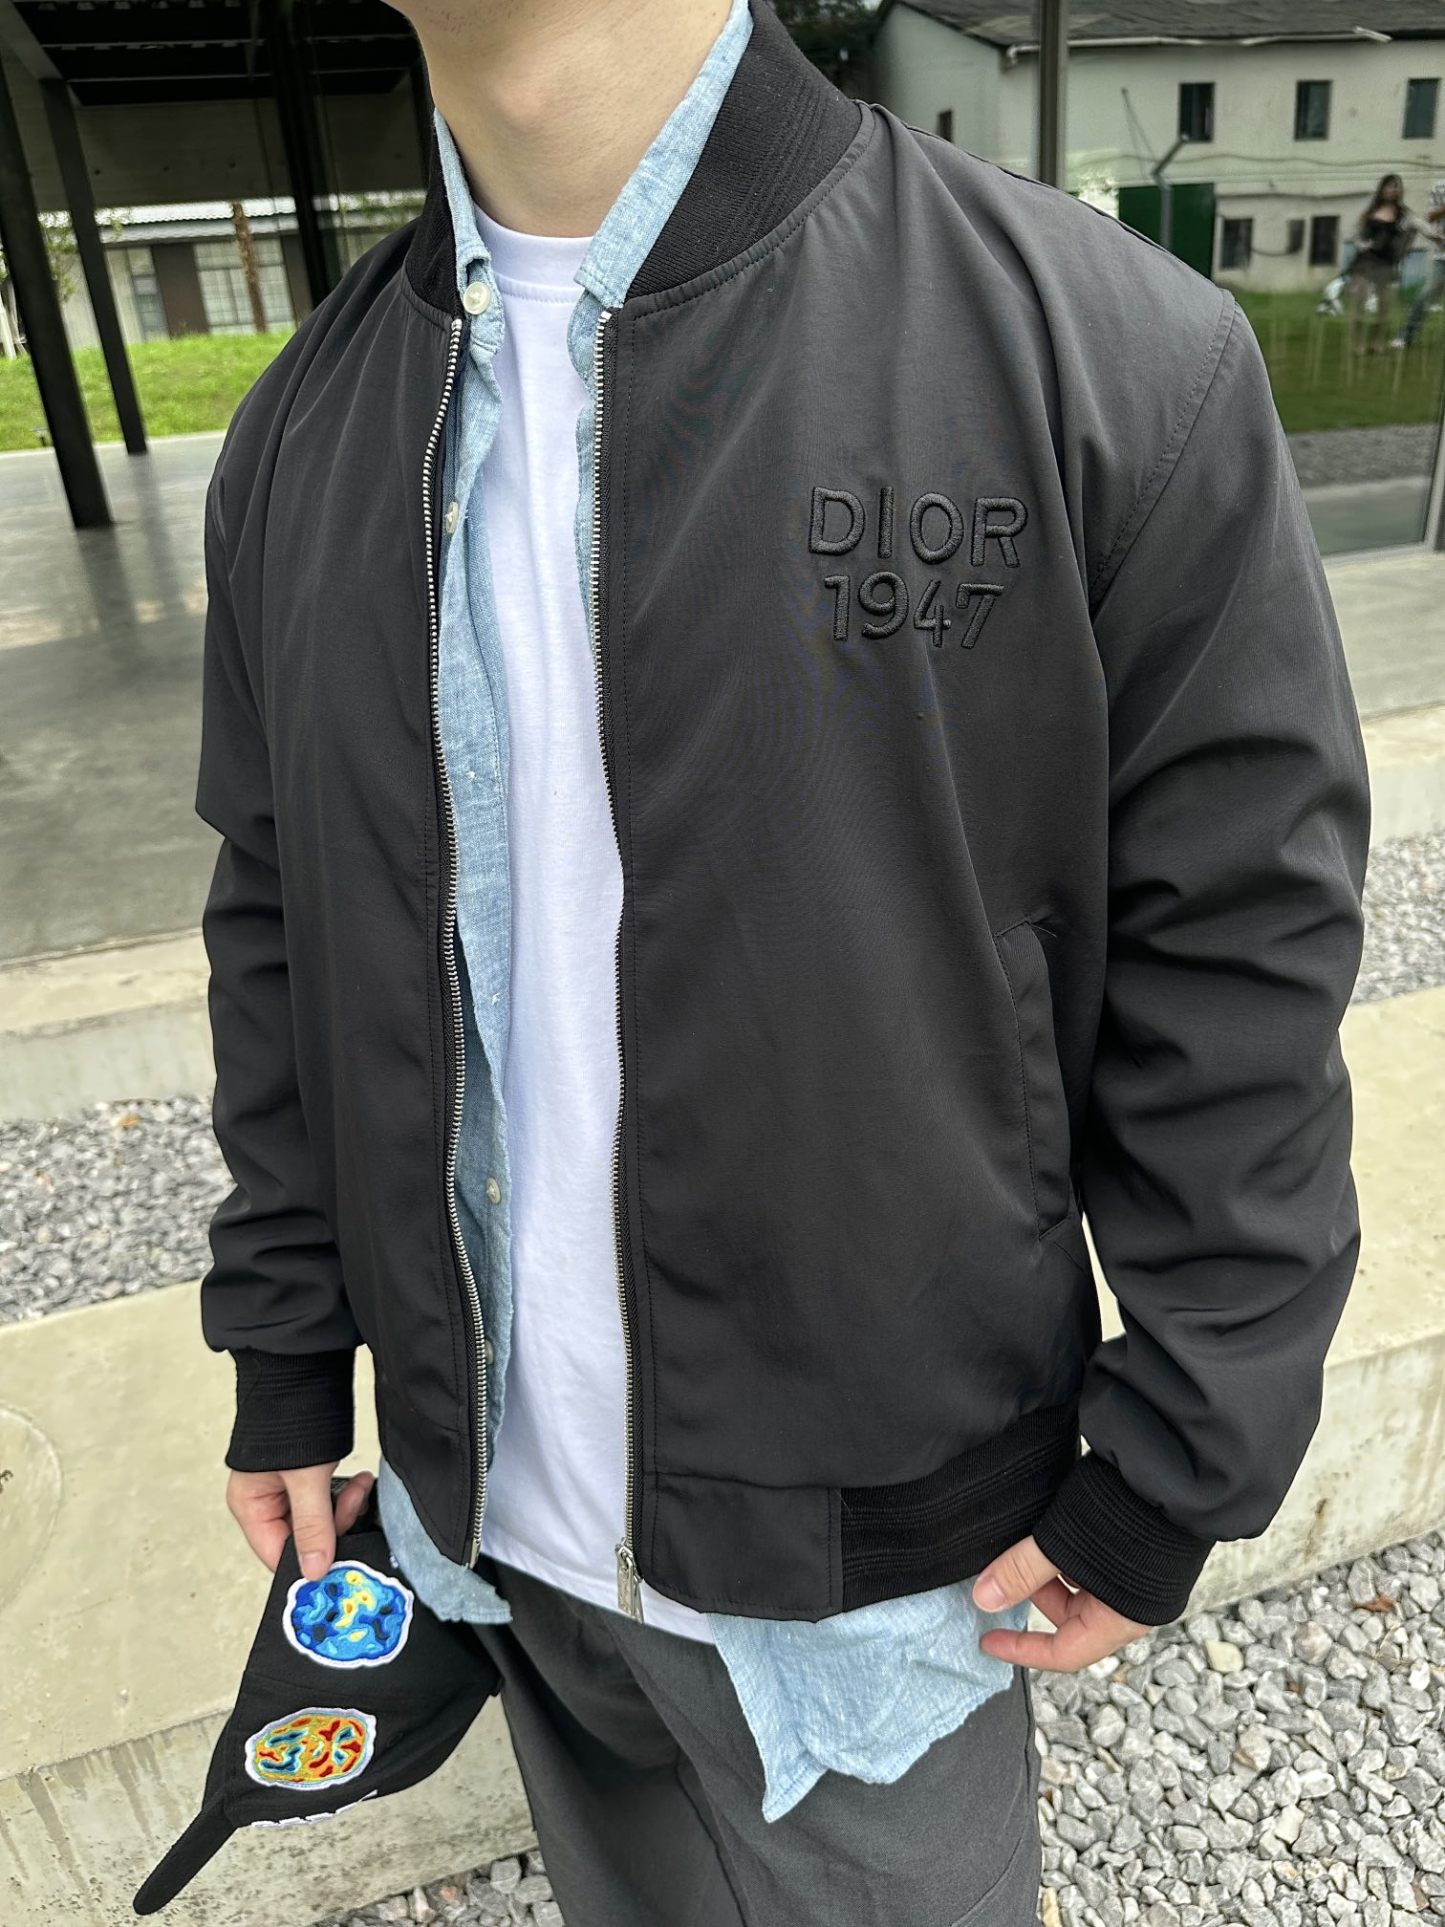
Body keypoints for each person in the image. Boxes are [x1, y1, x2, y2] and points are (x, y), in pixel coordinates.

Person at [199, 2, 1370, 1922]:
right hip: (484, 1520)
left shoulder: (1102, 356)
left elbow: (1237, 940)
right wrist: (286, 1348)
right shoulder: (303, 432)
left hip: (887, 1576)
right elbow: (277, 913)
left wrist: (1185, 1442)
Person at [1346, 172, 1418, 354]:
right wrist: (1361, 244)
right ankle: (1357, 343)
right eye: (1390, 186)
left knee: (1384, 304)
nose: (1393, 190)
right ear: (1382, 188)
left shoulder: (1403, 215)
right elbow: (1357, 234)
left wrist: (1404, 249)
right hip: (1365, 261)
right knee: (1359, 300)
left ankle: (1377, 342)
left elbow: (1414, 229)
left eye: (1396, 186)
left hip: (1386, 262)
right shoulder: (1370, 212)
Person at [1395, 174, 1445, 348]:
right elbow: (1430, 217)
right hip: (1443, 255)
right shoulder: (1440, 186)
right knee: (1427, 293)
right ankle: (1406, 334)